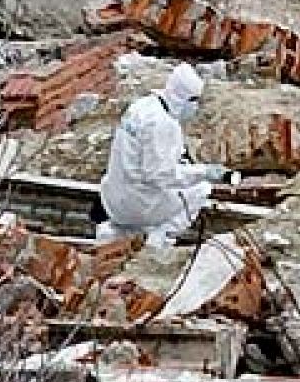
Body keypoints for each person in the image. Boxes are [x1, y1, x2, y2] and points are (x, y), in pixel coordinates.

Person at [97, 64, 227, 255]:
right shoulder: (163, 125)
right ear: (181, 97)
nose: (195, 107)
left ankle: (113, 238)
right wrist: (204, 172)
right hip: (137, 205)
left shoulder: (142, 107)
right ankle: (159, 243)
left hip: (113, 199)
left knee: (158, 193)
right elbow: (160, 175)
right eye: (193, 100)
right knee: (200, 190)